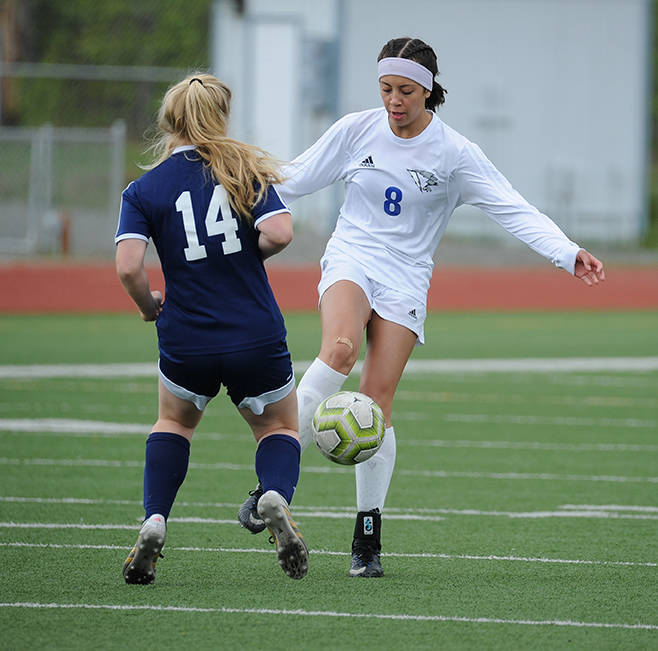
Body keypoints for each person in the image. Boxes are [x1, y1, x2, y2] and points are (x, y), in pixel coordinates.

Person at [238, 37, 605, 577]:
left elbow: (511, 207)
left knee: (376, 406)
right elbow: (294, 179)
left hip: (406, 279)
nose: (394, 101)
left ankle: (367, 537)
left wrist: (565, 252)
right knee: (339, 349)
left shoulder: (454, 154)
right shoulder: (355, 130)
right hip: (352, 257)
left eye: (406, 91)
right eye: (386, 89)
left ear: (429, 90)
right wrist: (234, 192)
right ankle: (272, 485)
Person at [115, 72, 308, 583]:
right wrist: (247, 254)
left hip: (187, 336)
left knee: (175, 424)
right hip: (254, 331)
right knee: (278, 427)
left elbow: (129, 266)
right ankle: (273, 497)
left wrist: (146, 305)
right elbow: (281, 231)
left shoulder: (143, 189)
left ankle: (155, 519)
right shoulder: (242, 167)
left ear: (168, 121)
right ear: (220, 117)